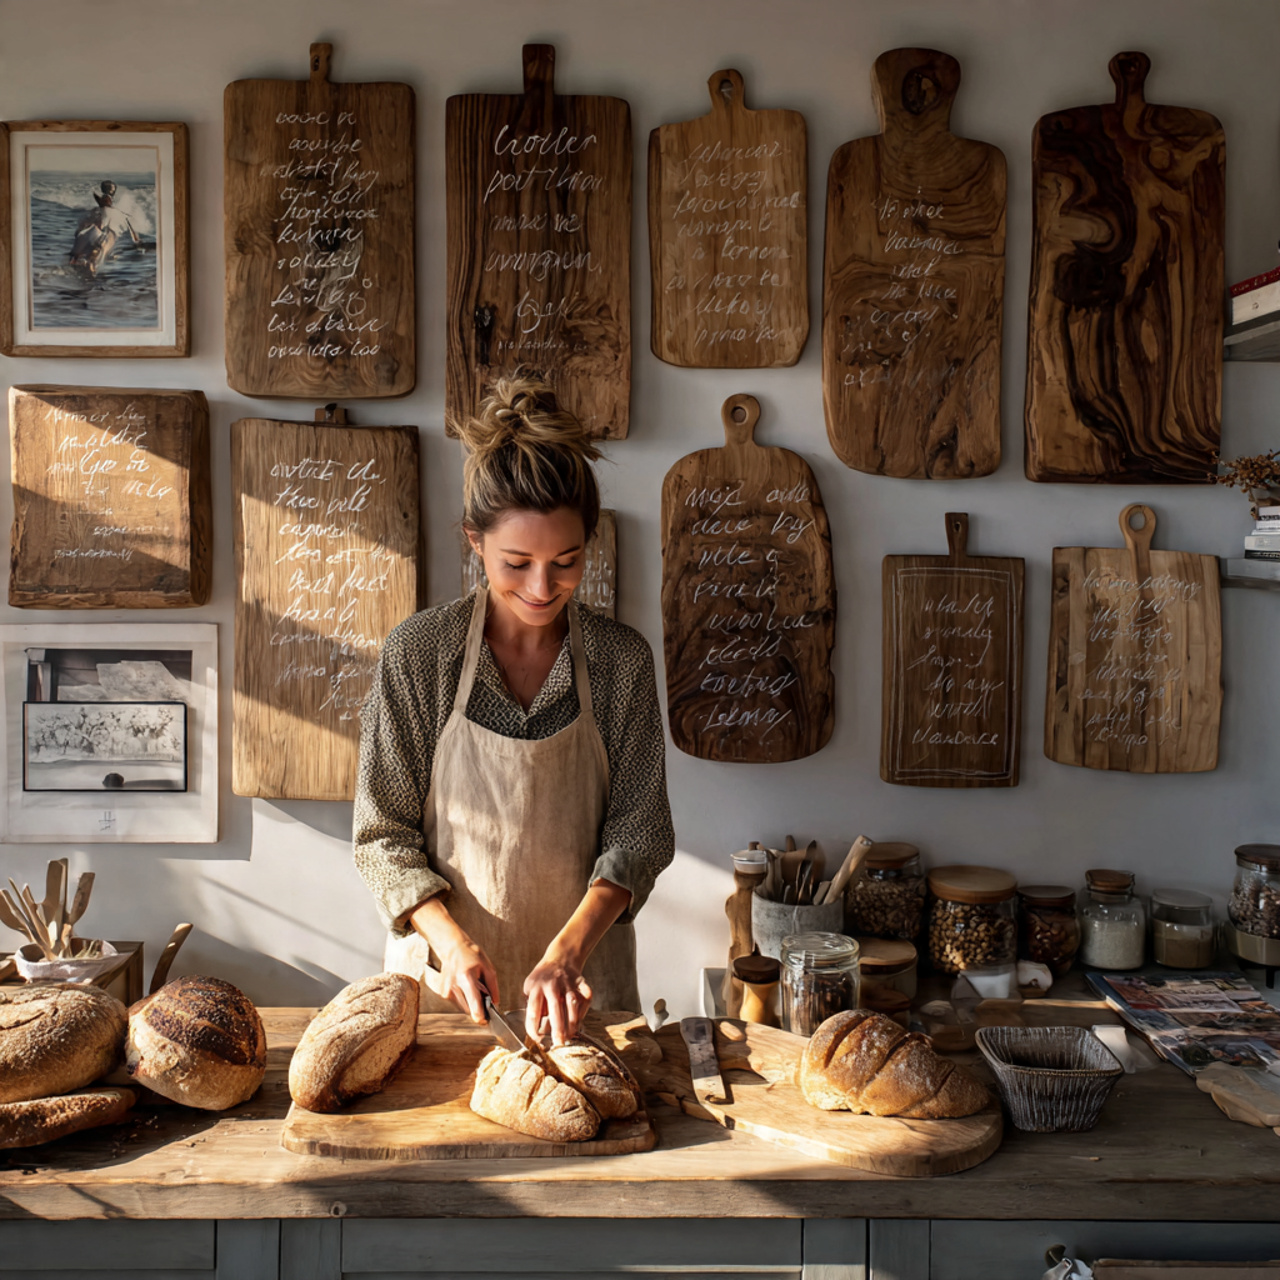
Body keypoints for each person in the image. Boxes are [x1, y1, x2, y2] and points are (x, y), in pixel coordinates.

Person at [354, 376, 674, 1044]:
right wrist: (449, 941)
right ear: (474, 539)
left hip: (585, 987)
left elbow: (638, 837)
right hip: (444, 991)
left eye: (566, 561)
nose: (541, 587)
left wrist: (566, 953)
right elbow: (382, 835)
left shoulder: (622, 662)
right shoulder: (421, 654)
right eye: (516, 562)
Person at [69, 180, 140, 274]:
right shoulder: (114, 213)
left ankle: (82, 262)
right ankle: (85, 263)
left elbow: (82, 227)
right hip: (104, 233)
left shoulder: (103, 211)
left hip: (101, 233)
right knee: (101, 241)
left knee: (98, 242)